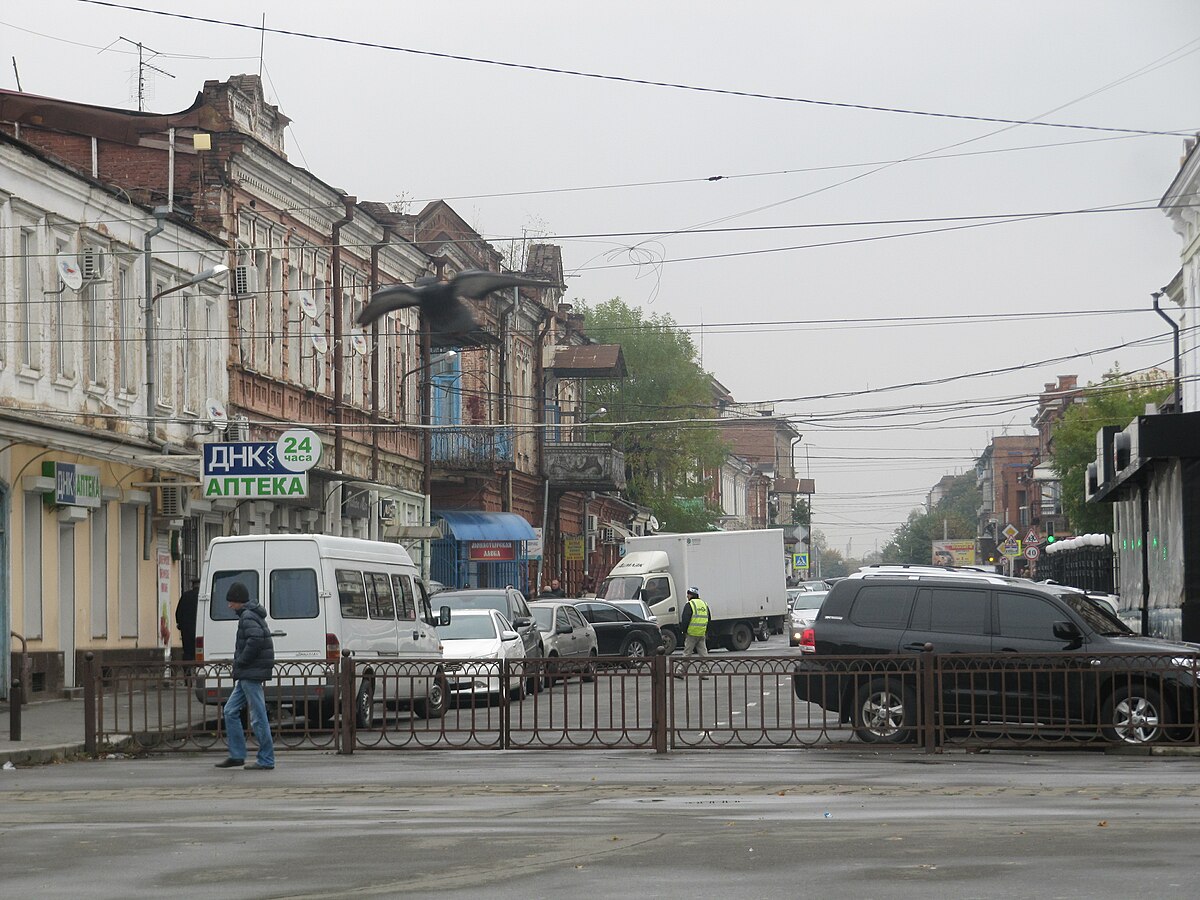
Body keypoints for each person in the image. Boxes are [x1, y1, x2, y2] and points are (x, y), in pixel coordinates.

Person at [214, 582, 276, 770]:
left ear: (237, 601)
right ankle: (237, 755)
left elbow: (255, 639)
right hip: (248, 673)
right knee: (230, 711)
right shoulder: (251, 614)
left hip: (250, 672)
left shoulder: (247, 616)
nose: (228, 606)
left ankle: (266, 759)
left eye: (230, 601)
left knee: (258, 716)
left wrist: (241, 661)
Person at [677, 586, 710, 679]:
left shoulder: (690, 604)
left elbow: (685, 619)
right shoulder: (704, 604)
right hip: (701, 633)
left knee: (687, 653)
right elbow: (709, 618)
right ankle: (705, 672)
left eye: (688, 594)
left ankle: (680, 672)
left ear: (690, 595)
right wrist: (706, 631)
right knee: (703, 654)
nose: (687, 596)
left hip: (691, 633)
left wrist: (683, 631)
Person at [176, 579, 199, 663]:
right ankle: (199, 670)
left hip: (186, 630)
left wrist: (180, 624)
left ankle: (187, 672)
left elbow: (178, 612)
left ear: (192, 586)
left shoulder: (185, 596)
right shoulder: (202, 596)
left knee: (187, 652)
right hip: (199, 629)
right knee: (199, 651)